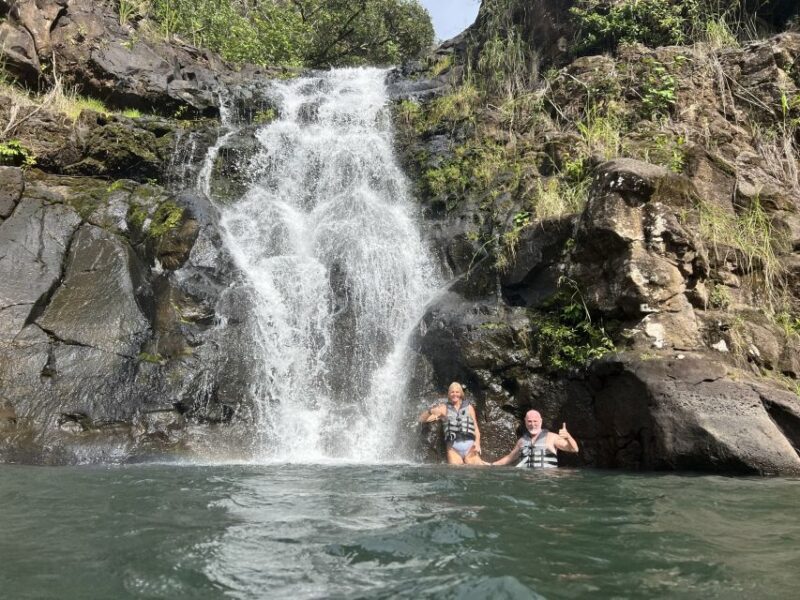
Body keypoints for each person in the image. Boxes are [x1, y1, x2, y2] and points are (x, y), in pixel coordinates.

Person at [418, 382, 485, 465]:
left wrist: (477, 443)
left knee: (476, 470)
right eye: (452, 392)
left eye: (457, 392)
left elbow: (476, 428)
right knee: (456, 473)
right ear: (449, 394)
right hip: (453, 449)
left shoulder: (469, 407)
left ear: (461, 393)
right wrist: (430, 411)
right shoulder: (443, 408)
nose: (455, 394)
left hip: (470, 448)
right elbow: (421, 419)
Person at [492, 409, 579, 468]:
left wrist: (568, 437)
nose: (532, 424)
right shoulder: (522, 441)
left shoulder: (552, 437)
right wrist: (491, 465)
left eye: (535, 421)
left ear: (540, 421)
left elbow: (574, 449)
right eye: (529, 421)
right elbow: (509, 458)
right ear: (525, 422)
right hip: (526, 481)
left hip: (545, 480)